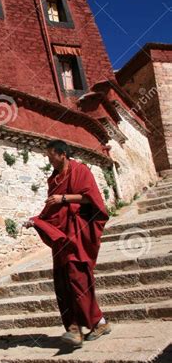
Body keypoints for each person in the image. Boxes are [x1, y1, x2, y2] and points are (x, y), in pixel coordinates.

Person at [24, 140, 111, 349]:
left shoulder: (80, 170)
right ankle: (75, 328)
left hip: (77, 232)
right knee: (63, 280)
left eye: (51, 156)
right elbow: (51, 210)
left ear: (62, 154)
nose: (49, 160)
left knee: (78, 277)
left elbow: (93, 199)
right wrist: (36, 221)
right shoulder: (54, 179)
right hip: (62, 238)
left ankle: (96, 322)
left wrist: (64, 198)